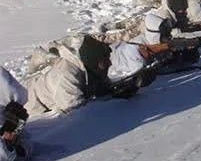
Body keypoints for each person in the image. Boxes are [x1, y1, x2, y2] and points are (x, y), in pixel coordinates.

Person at [25, 35, 153, 115]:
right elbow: (76, 112)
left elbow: (101, 91)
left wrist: (128, 88)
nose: (109, 64)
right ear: (92, 61)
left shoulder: (89, 69)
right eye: (104, 61)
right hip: (32, 107)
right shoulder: (67, 74)